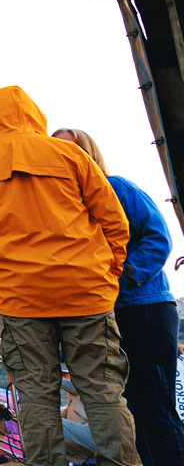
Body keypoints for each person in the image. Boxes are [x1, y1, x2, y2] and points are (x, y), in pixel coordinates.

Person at [0, 86, 139, 466]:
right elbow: (114, 220)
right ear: (33, 114)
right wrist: (108, 273)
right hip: (86, 291)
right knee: (103, 391)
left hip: (19, 298)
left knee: (35, 396)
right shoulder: (69, 154)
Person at [53, 127, 184, 466]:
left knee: (156, 405)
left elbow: (158, 237)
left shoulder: (117, 188)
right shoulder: (62, 209)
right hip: (104, 316)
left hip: (145, 308)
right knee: (130, 407)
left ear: (88, 153)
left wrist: (120, 280)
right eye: (56, 151)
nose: (64, 158)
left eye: (71, 150)